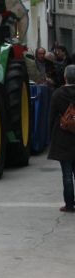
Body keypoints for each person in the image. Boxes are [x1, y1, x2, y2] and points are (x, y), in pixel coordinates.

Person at [47, 64, 75, 213]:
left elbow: (51, 117)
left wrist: (51, 135)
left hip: (63, 137)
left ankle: (69, 205)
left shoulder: (58, 94)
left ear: (65, 78)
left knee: (67, 175)